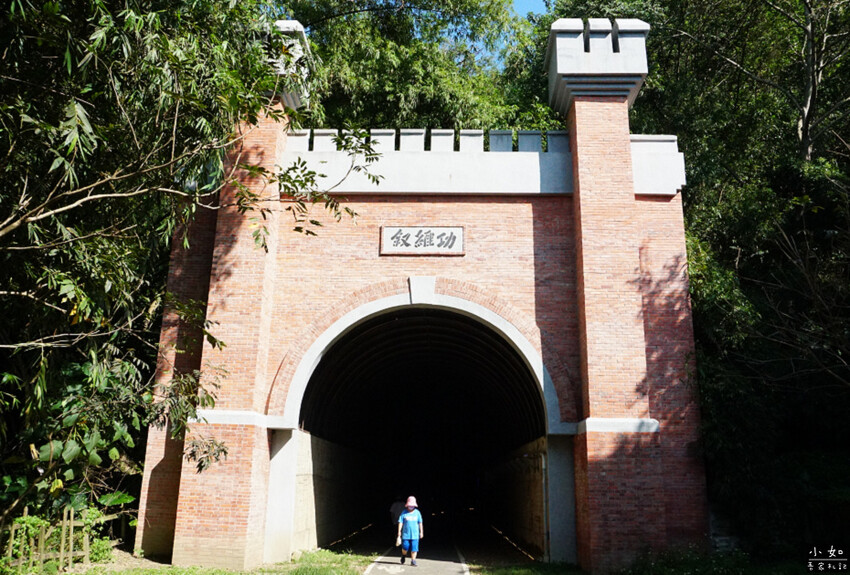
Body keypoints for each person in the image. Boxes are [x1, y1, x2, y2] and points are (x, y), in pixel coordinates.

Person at [397, 496, 423, 566]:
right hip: (406, 534)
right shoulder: (404, 513)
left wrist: (421, 532)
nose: (411, 507)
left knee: (414, 548)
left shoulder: (417, 513)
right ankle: (403, 555)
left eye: (412, 505)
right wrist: (399, 531)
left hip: (415, 535)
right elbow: (400, 522)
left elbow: (420, 522)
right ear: (407, 505)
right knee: (405, 547)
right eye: (410, 505)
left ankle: (413, 560)